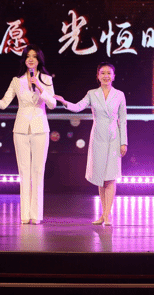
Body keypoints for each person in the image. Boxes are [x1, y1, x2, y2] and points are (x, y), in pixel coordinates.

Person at [0, 45, 55, 224]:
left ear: (39, 60)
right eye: (28, 56)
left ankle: (36, 215)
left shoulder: (46, 79)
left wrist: (39, 86)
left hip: (40, 128)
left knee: (38, 171)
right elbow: (4, 103)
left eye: (34, 56)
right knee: (24, 171)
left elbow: (52, 104)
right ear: (24, 60)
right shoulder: (16, 81)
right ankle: (25, 215)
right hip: (20, 129)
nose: (31, 59)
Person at [54, 63, 127, 226]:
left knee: (111, 177)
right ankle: (103, 214)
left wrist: (124, 142)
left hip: (114, 137)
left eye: (109, 73)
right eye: (103, 73)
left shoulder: (119, 95)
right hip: (98, 137)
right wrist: (64, 102)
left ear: (114, 76)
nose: (106, 76)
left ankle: (107, 215)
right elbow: (78, 107)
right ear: (98, 76)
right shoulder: (92, 94)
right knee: (100, 177)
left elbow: (123, 120)